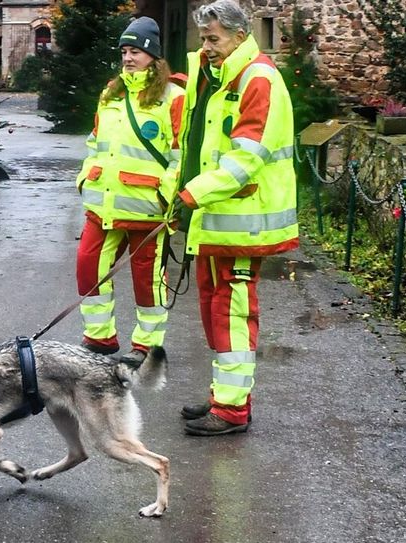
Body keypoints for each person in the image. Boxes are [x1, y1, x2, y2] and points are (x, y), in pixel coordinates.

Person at [174, 0, 298, 436]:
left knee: (232, 313)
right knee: (216, 310)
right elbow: (197, 148)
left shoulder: (256, 78)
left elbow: (246, 159)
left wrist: (191, 194)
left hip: (243, 221)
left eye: (213, 39)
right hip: (219, 217)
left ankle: (231, 411)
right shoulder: (221, 77)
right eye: (203, 39)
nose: (206, 47)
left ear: (240, 35)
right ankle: (224, 397)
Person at [75, 16, 185, 366]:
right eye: (124, 50)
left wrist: (166, 197)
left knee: (147, 280)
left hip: (147, 208)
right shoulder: (111, 92)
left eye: (135, 50)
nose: (127, 57)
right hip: (103, 205)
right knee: (88, 267)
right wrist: (84, 178)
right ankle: (99, 337)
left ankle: (147, 346)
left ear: (153, 55)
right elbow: (95, 143)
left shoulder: (174, 96)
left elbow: (181, 154)